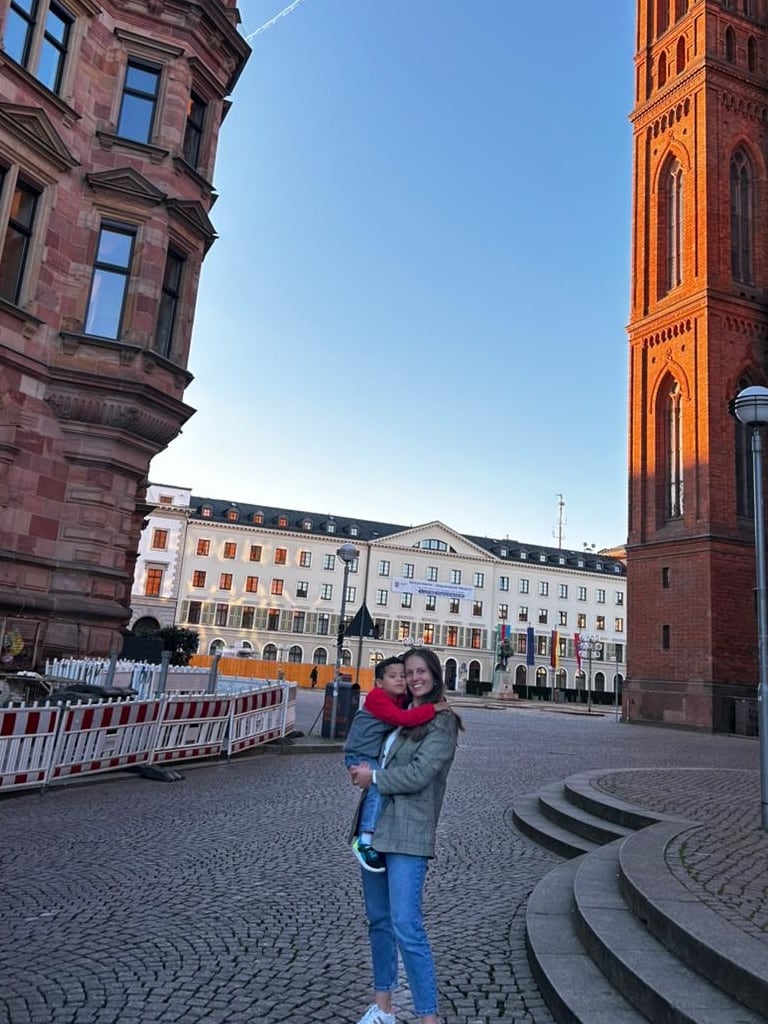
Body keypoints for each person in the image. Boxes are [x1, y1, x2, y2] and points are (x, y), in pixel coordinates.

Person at [349, 648, 463, 1024]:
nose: (414, 678)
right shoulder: (399, 718)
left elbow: (418, 774)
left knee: (406, 926)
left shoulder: (442, 723)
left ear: (434, 674)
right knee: (379, 921)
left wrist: (374, 778)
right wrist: (362, 770)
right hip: (377, 829)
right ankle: (382, 1007)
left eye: (420, 671)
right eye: (408, 672)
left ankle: (428, 1018)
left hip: (409, 835)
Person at [344, 656, 446, 872]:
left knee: (376, 786)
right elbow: (403, 719)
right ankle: (364, 839)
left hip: (368, 755)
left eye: (403, 675)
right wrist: (433, 709)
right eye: (394, 676)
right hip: (360, 755)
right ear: (380, 682)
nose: (401, 680)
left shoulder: (398, 697)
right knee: (376, 788)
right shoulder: (378, 698)